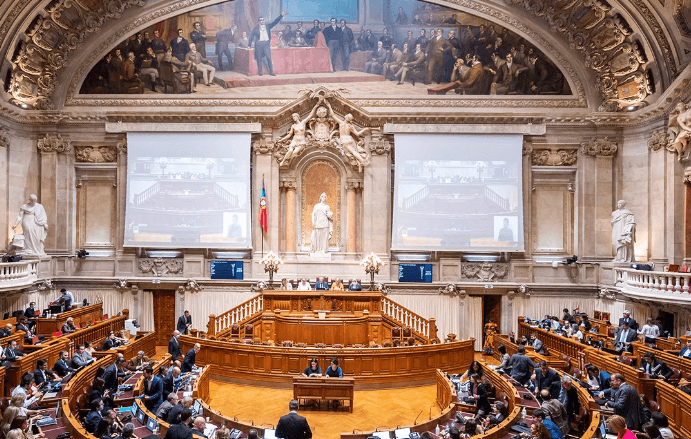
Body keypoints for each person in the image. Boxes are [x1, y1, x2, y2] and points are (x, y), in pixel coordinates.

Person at [278, 100, 322, 166]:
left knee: (294, 152)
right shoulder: (293, 126)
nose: (294, 118)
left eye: (294, 116)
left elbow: (310, 115)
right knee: (290, 151)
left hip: (301, 140)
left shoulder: (303, 123)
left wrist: (316, 106)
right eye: (293, 117)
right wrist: (281, 140)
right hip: (295, 140)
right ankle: (283, 160)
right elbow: (289, 135)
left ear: (298, 117)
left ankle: (288, 158)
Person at [249, 12, 289, 76]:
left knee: (269, 58)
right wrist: (249, 45)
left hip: (266, 44)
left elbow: (275, 22)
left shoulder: (268, 26)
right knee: (259, 59)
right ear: (259, 22)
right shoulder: (256, 29)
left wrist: (281, 15)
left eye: (263, 20)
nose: (262, 21)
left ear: (264, 21)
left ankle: (271, 72)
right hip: (258, 44)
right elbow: (251, 36)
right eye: (260, 20)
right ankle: (260, 72)